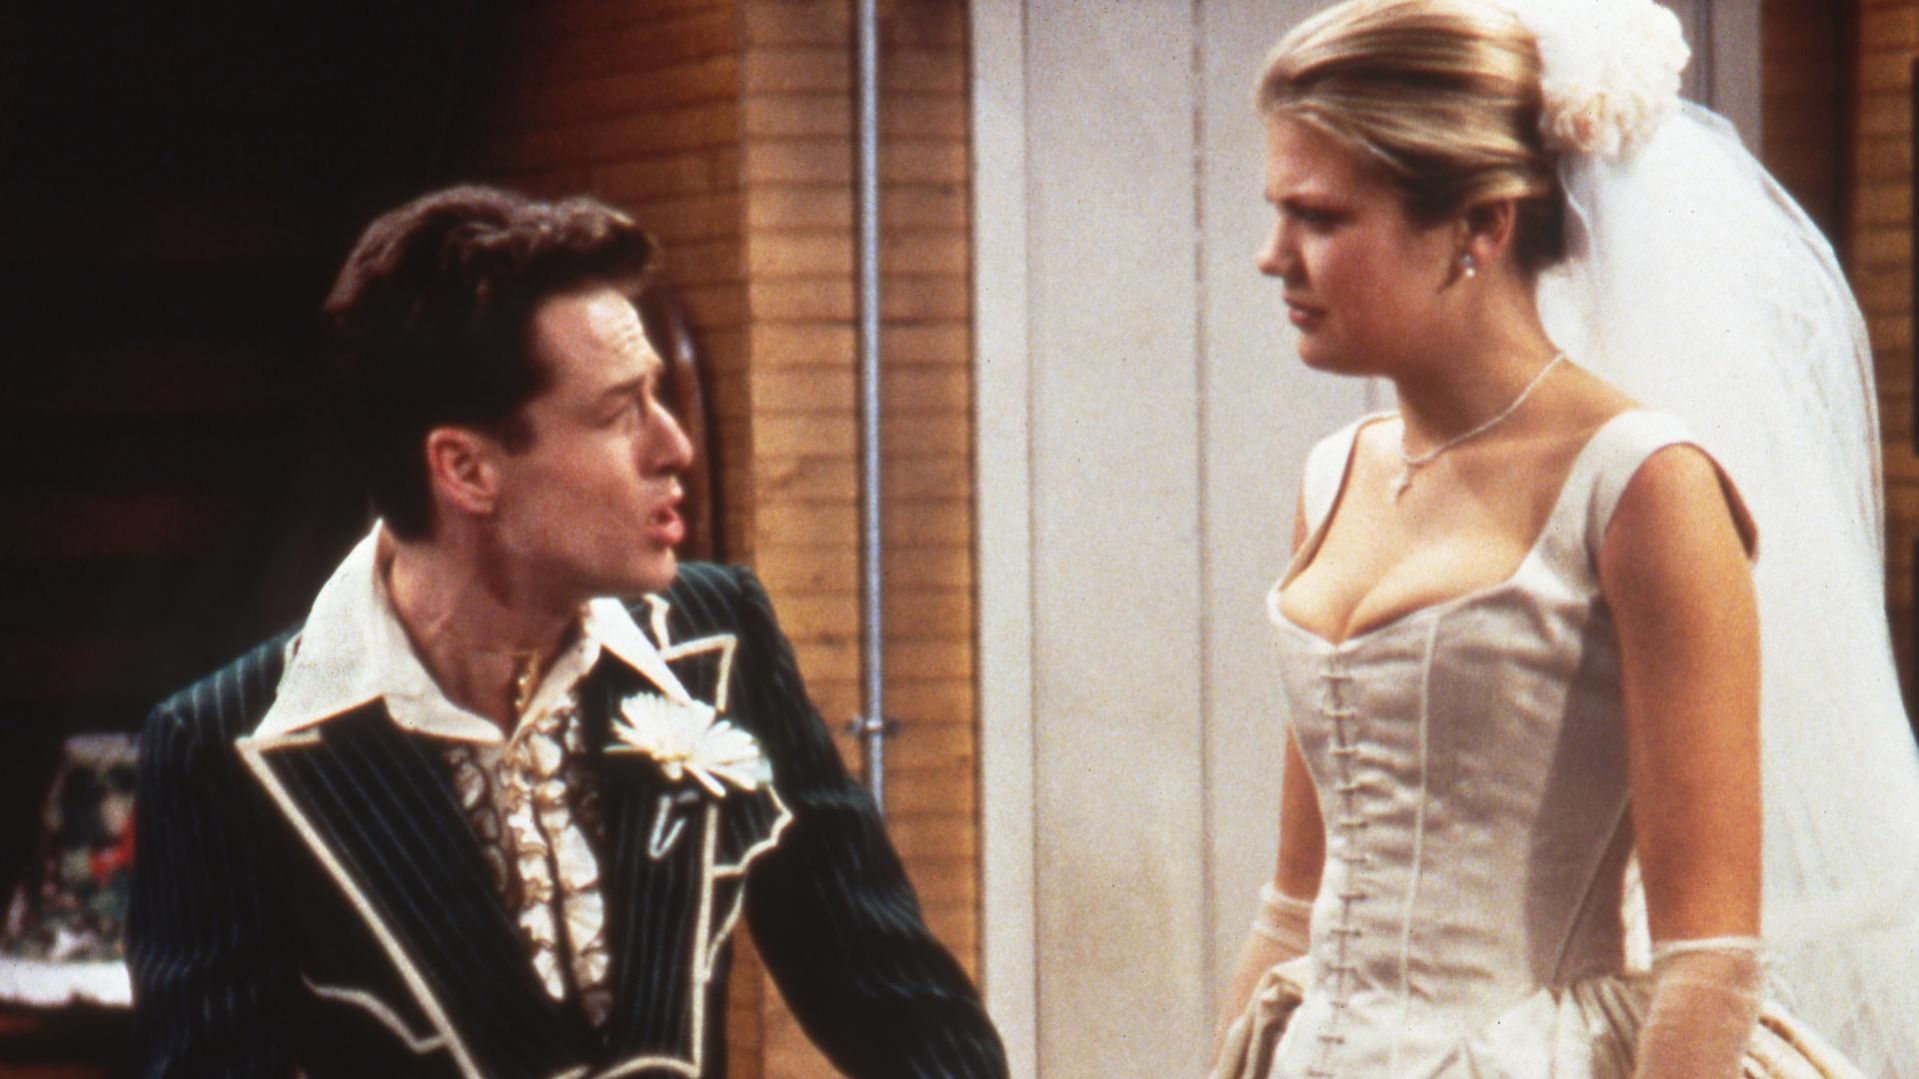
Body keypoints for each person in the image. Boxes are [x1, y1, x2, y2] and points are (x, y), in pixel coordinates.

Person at [127, 185, 1008, 1078]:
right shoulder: (222, 750)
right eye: (619, 412)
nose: (673, 447)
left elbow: (911, 1019)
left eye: (658, 396)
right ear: (466, 468)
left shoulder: (717, 640)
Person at [1210, 1, 1919, 1075]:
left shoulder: (1643, 487)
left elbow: (1708, 960)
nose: (1272, 257)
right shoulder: (1333, 474)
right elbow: (1290, 905)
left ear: (1479, 226)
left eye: (1319, 217)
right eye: (1277, 212)